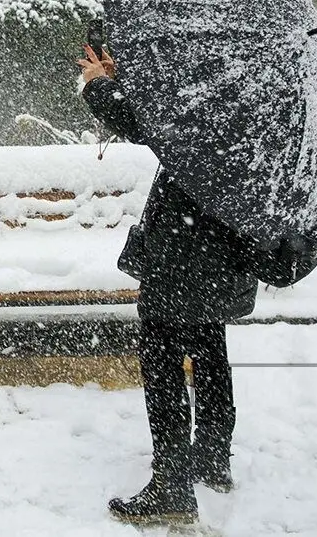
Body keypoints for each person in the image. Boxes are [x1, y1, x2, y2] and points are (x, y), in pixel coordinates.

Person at [77, 45, 258, 526]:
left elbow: (143, 123)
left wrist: (99, 83)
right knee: (208, 348)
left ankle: (172, 485)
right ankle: (213, 458)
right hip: (222, 255)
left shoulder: (210, 97)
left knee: (162, 365)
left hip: (182, 256)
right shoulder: (255, 102)